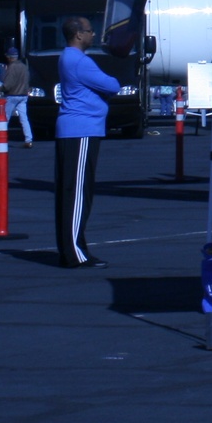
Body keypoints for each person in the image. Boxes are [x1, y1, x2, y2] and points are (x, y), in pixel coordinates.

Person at [54, 17, 119, 268]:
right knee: (78, 194)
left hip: (74, 130)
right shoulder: (80, 61)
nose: (94, 35)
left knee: (70, 192)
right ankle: (75, 252)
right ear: (79, 34)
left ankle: (71, 249)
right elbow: (111, 85)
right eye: (91, 31)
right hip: (81, 130)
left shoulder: (67, 57)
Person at [0, 44, 33, 146]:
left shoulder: (11, 68)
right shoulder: (24, 67)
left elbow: (7, 85)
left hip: (12, 95)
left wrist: (0, 88)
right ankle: (28, 139)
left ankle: (1, 139)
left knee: (5, 118)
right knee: (24, 118)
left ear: (10, 57)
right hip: (23, 95)